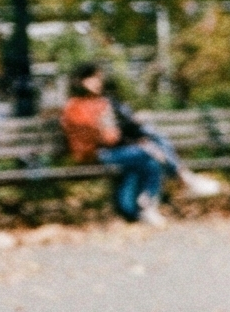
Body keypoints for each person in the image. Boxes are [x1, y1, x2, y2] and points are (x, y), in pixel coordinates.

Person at [60, 62, 165, 225]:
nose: (97, 83)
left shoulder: (102, 102)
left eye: (99, 79)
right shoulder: (74, 106)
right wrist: (107, 129)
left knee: (149, 162)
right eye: (92, 79)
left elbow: (113, 135)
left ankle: (138, 208)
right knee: (148, 152)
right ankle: (142, 205)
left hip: (112, 151)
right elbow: (99, 136)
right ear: (80, 81)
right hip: (93, 154)